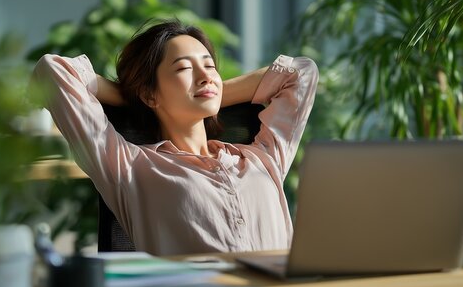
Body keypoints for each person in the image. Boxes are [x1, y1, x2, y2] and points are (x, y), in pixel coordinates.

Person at [32, 20, 318, 255]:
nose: (206, 76)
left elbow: (300, 74)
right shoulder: (128, 168)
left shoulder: (263, 157)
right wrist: (134, 96)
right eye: (183, 68)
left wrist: (213, 93)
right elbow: (52, 72)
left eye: (209, 66)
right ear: (149, 94)